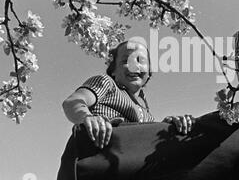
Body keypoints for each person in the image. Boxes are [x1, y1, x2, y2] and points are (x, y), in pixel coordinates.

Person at [62, 39, 195, 149]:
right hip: (100, 152)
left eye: (141, 61)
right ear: (113, 70)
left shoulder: (147, 114)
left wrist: (167, 127)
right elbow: (73, 101)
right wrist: (87, 117)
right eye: (126, 61)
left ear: (149, 73)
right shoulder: (107, 83)